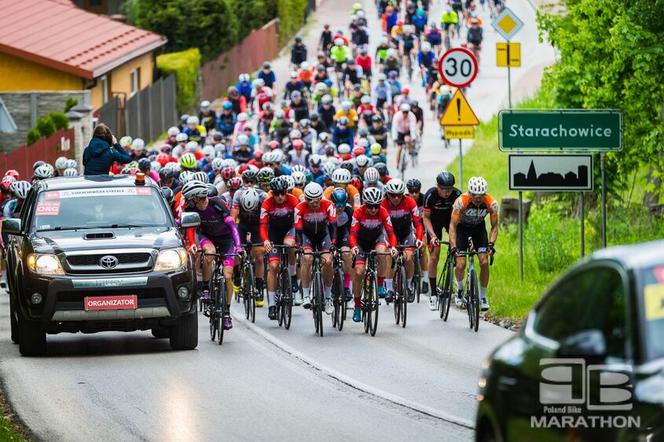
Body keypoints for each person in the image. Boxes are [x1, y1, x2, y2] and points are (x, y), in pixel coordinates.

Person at [182, 180, 242, 331]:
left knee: (228, 276)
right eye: (193, 200)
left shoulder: (217, 203)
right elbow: (190, 227)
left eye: (191, 199)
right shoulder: (191, 207)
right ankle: (207, 288)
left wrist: (239, 246)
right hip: (207, 236)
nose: (189, 202)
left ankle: (227, 312)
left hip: (226, 239)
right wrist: (191, 243)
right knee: (209, 254)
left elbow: (232, 227)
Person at [449, 177, 498, 311]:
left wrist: (491, 244)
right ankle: (459, 289)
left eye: (481, 196)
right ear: (470, 193)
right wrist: (453, 246)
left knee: (483, 262)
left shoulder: (491, 203)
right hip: (462, 229)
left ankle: (482, 296)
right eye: (475, 196)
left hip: (478, 229)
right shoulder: (461, 202)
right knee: (460, 264)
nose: (478, 199)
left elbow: (494, 227)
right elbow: (452, 226)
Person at [349, 187, 397, 322]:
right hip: (361, 242)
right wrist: (353, 247)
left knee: (383, 253)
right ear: (365, 204)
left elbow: (391, 233)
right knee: (359, 272)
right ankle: (357, 307)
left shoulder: (383, 212)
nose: (374, 210)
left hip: (377, 239)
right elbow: (352, 234)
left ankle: (381, 285)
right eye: (370, 207)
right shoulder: (358, 212)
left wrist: (393, 247)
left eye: (376, 206)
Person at [260, 177, 301, 319]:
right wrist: (265, 240)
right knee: (273, 266)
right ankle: (271, 305)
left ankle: (293, 275)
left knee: (290, 245)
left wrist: (299, 241)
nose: (280, 197)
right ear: (272, 193)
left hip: (289, 230)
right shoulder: (266, 203)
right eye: (276, 193)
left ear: (286, 192)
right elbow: (263, 226)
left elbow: (298, 223)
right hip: (273, 234)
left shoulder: (293, 200)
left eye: (282, 193)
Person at [294, 183, 337, 314]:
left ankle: (328, 297)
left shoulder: (329, 205)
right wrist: (300, 247)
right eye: (310, 200)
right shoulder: (299, 208)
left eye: (317, 199)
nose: (314, 203)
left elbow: (333, 227)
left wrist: (333, 244)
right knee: (307, 258)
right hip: (307, 236)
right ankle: (306, 295)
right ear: (305, 199)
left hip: (324, 235)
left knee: (328, 261)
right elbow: (298, 230)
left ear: (321, 197)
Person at [422, 171, 462, 310]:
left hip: (451, 221)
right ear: (437, 186)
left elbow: (461, 219)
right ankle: (433, 293)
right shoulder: (430, 195)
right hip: (434, 223)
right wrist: (432, 236)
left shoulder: (457, 195)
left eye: (449, 189)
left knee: (459, 252)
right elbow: (426, 218)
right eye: (444, 189)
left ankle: (457, 282)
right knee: (434, 255)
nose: (447, 192)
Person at [381, 179, 424, 302]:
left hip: (406, 233)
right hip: (389, 233)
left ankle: (409, 286)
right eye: (392, 195)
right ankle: (389, 288)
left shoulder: (410, 202)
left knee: (409, 257)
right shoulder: (383, 204)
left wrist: (419, 239)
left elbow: (418, 224)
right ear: (387, 194)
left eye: (399, 195)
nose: (396, 198)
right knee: (389, 255)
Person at [391, 103, 418, 169]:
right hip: (400, 132)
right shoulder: (397, 116)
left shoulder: (412, 116)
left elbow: (413, 127)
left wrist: (413, 138)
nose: (405, 114)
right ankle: (397, 163)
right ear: (401, 111)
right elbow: (394, 127)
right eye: (404, 112)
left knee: (407, 139)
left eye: (406, 112)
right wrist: (394, 138)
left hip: (407, 131)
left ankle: (410, 150)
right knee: (399, 149)